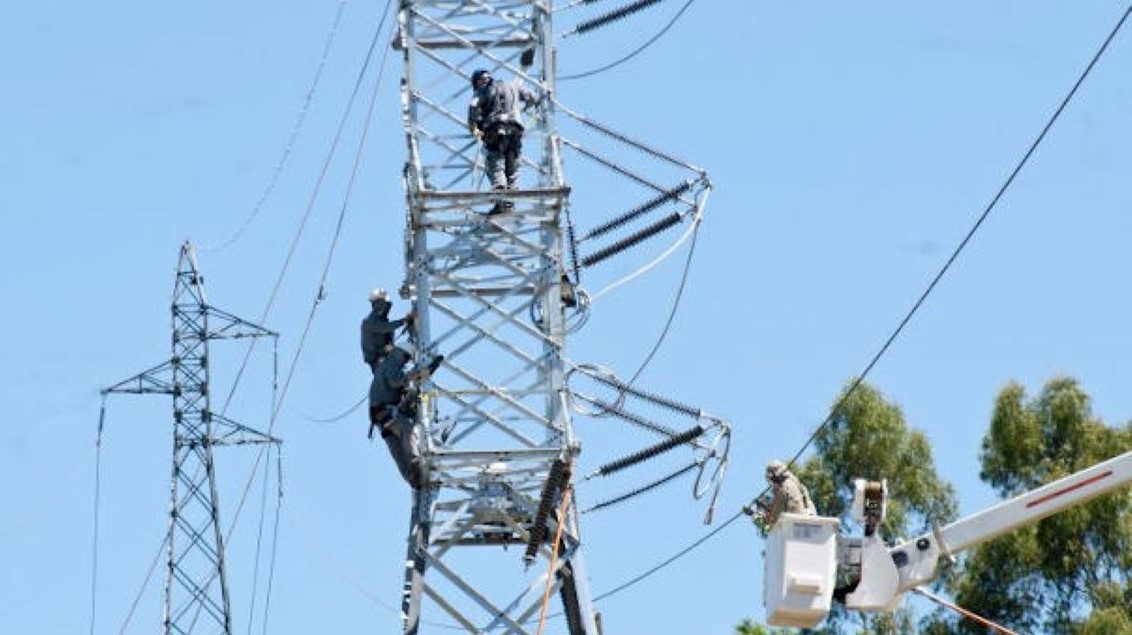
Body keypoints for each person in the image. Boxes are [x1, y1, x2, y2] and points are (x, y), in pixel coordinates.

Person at [367, 346, 444, 488]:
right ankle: (415, 464)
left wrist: (425, 372)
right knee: (409, 431)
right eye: (407, 357)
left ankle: (412, 478)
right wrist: (420, 374)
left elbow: (406, 386)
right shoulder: (392, 363)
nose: (406, 361)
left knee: (397, 449)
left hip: (381, 418)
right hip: (387, 413)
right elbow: (396, 380)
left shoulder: (390, 365)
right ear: (402, 353)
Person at [467, 69, 539, 202]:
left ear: (478, 82)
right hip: (515, 128)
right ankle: (512, 189)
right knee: (512, 159)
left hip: (494, 128)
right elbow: (534, 98)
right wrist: (524, 108)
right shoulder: (513, 86)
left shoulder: (483, 90)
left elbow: (473, 105)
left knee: (495, 161)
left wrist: (474, 128)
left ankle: (500, 189)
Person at [360, 288, 413, 369]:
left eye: (386, 305)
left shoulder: (383, 322)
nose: (385, 308)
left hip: (385, 358)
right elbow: (384, 328)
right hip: (377, 361)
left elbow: (387, 332)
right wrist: (404, 321)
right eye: (383, 304)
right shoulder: (368, 322)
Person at [763, 459, 816, 525]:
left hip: (795, 524)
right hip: (809, 520)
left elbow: (776, 516)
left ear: (775, 477)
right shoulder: (799, 485)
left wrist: (767, 516)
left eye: (772, 479)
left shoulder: (783, 488)